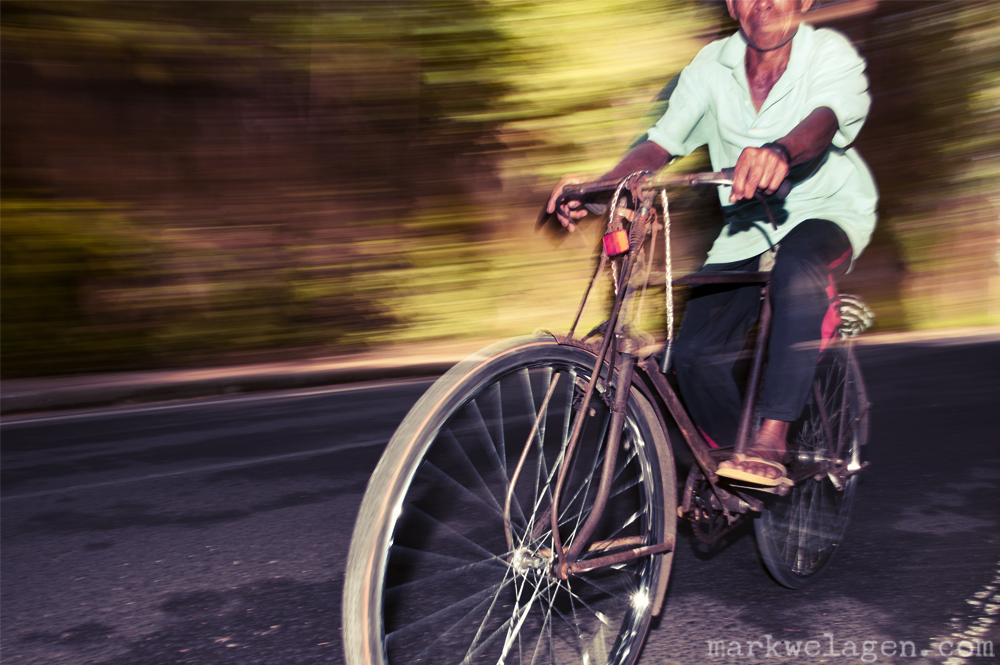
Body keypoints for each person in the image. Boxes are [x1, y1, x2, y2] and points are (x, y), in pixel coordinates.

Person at [546, 0, 877, 486]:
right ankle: (734, 466)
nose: (763, 3)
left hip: (826, 210)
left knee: (796, 270)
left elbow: (825, 120)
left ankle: (772, 436)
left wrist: (780, 151)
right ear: (731, 4)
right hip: (745, 227)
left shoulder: (828, 51)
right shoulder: (711, 65)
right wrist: (602, 186)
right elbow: (660, 143)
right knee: (694, 353)